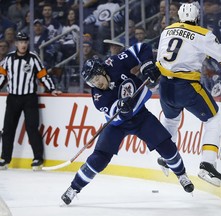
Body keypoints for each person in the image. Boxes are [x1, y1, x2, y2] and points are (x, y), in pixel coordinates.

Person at [61, 42, 194, 205]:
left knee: (167, 146)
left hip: (141, 117)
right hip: (117, 125)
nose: (97, 84)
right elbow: (115, 117)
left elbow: (141, 48)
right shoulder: (98, 97)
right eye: (92, 82)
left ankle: (181, 175)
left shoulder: (114, 63)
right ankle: (74, 188)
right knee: (99, 158)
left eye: (96, 78)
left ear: (101, 70)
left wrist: (146, 65)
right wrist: (122, 109)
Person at [155, 3, 221, 187]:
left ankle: (166, 156)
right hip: (186, 86)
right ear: (197, 17)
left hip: (165, 86)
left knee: (171, 120)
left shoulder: (168, 29)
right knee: (213, 119)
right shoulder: (203, 34)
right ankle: (208, 164)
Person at [0, 32, 60, 170]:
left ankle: (38, 158)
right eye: (20, 42)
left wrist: (51, 89)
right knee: (8, 129)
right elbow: (2, 76)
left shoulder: (33, 58)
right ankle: (5, 158)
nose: (23, 45)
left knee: (32, 128)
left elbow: (42, 75)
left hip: (29, 98)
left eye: (25, 42)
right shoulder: (8, 59)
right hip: (13, 97)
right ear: (16, 44)